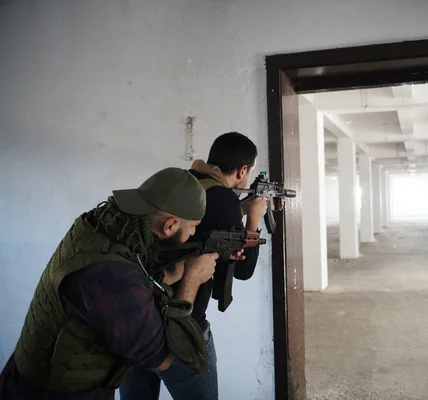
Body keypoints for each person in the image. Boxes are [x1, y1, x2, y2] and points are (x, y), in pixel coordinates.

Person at [0, 167, 221, 400]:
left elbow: (133, 272)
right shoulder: (114, 277)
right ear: (170, 226)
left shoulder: (98, 225)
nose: (193, 234)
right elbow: (164, 357)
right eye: (193, 227)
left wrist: (171, 273)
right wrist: (191, 280)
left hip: (26, 378)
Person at [120, 132, 270, 400]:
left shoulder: (183, 184)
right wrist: (254, 220)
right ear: (243, 170)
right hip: (184, 326)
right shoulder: (224, 199)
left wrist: (239, 210)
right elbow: (244, 271)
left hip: (138, 321)